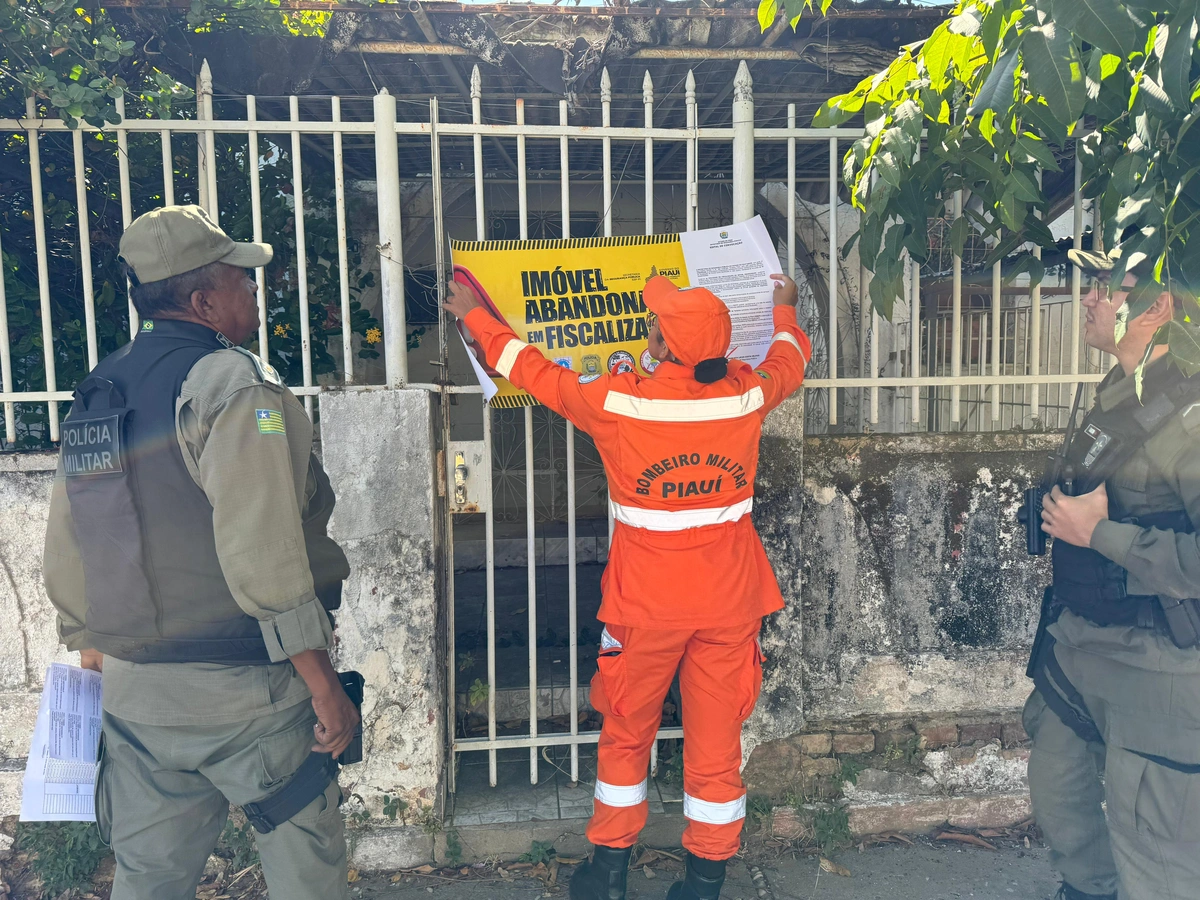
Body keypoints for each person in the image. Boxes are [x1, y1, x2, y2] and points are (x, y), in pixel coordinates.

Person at [444, 272, 811, 900]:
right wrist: (784, 309)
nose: (646, 330)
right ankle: (703, 883)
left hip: (645, 607)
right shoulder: (745, 396)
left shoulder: (620, 401)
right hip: (730, 605)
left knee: (626, 731)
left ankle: (608, 874)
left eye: (654, 325)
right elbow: (791, 361)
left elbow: (531, 371)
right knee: (717, 746)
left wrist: (478, 317)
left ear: (664, 346)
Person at [42, 205, 359, 900]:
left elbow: (68, 542)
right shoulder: (229, 385)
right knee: (308, 872)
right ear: (203, 301)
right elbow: (263, 550)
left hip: (136, 694)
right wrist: (320, 681)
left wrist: (96, 661)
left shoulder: (101, 391)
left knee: (149, 879)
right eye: (241, 282)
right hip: (247, 691)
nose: (252, 293)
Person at [1023, 247, 1200, 900]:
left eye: (1109, 290)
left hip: (1159, 669)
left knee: (1155, 858)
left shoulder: (1190, 418)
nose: (1090, 300)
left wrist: (1099, 533)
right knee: (1061, 803)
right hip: (1082, 650)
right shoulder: (1119, 394)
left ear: (1157, 309)